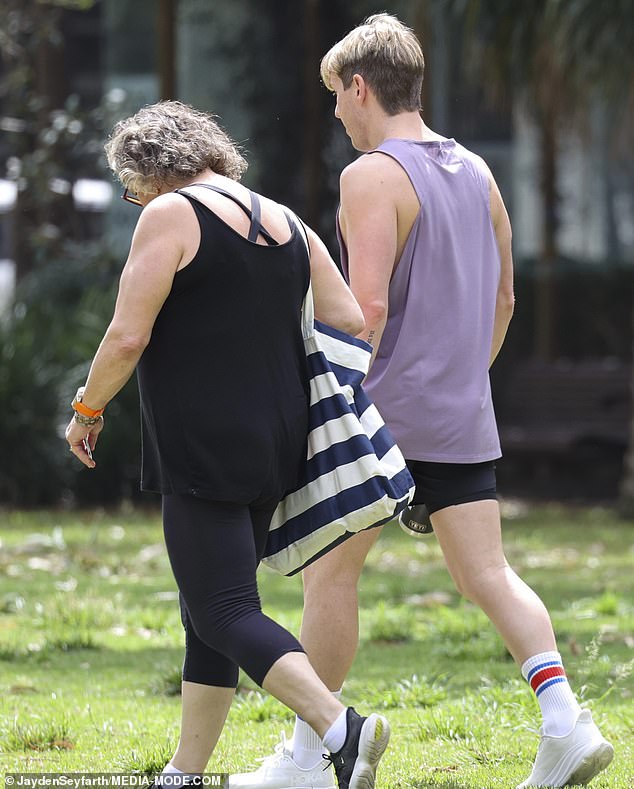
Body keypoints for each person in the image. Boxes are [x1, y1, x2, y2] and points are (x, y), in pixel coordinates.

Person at [231, 14, 614, 789]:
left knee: (329, 577)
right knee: (490, 574)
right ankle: (565, 719)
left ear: (362, 86)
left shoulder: (371, 174)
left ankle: (314, 756)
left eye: (337, 95)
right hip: (461, 413)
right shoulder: (478, 170)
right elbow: (503, 296)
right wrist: (464, 377)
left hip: (381, 415)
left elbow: (363, 311)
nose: (335, 112)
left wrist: (327, 404)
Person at [64, 100, 390, 789]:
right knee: (206, 611)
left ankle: (341, 728)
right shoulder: (287, 221)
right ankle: (184, 772)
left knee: (223, 608)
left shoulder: (171, 215)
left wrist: (88, 406)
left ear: (155, 167)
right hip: (278, 438)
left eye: (131, 181)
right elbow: (351, 318)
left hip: (203, 439)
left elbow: (127, 335)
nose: (130, 197)